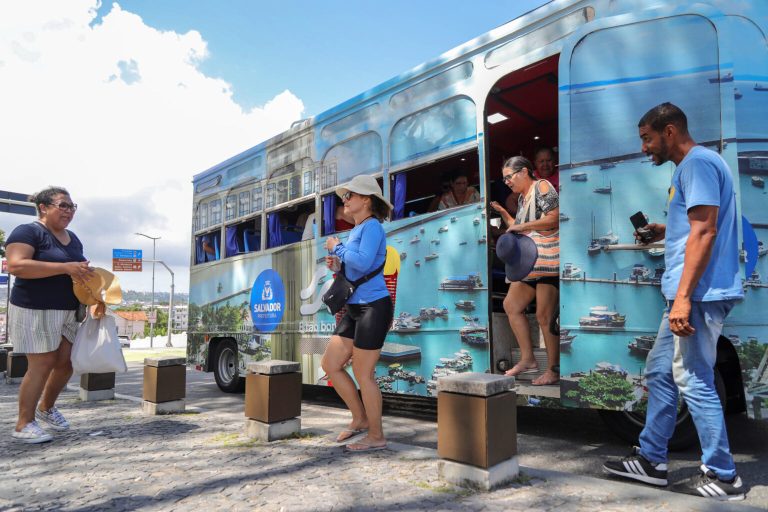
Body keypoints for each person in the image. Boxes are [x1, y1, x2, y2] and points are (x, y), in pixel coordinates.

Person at [603, 103, 746, 501]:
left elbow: (705, 230)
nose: (645, 148)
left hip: (697, 293)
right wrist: (665, 229)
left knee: (693, 378)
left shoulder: (697, 164)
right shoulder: (696, 166)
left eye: (647, 138)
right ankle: (652, 461)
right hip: (688, 292)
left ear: (669, 132)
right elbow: (694, 224)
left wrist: (682, 299)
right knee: (660, 373)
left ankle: (724, 475)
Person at [5, 187, 94, 443]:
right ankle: (23, 424)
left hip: (69, 309)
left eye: (72, 206)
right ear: (44, 207)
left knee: (67, 362)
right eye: (63, 205)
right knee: (42, 364)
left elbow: (77, 271)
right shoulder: (28, 231)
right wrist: (65, 267)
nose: (69, 211)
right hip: (35, 308)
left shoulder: (73, 238)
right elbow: (17, 265)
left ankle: (46, 408)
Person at [321, 174, 394, 452]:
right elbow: (356, 268)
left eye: (349, 195)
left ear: (366, 199)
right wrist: (337, 265)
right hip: (354, 308)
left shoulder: (372, 226)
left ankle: (377, 436)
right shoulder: (357, 229)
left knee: (364, 375)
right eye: (344, 197)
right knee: (331, 365)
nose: (345, 200)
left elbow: (363, 263)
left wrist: (335, 247)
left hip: (373, 308)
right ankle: (360, 418)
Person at [490, 156, 560, 386]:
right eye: (504, 179)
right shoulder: (521, 199)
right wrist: (504, 214)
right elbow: (518, 227)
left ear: (524, 172)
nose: (507, 182)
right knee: (511, 305)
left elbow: (554, 218)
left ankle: (553, 369)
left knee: (544, 315)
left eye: (508, 177)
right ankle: (528, 359)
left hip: (547, 261)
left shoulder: (542, 186)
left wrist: (522, 226)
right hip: (530, 263)